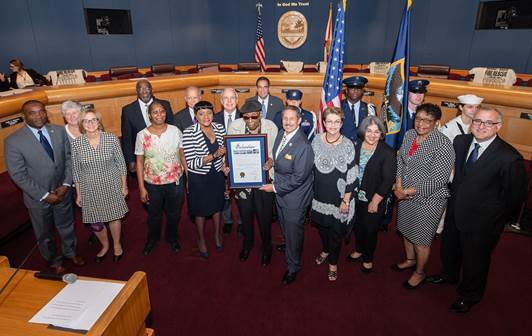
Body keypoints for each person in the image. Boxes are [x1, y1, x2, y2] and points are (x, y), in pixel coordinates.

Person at [427, 106, 527, 313]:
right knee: (449, 247)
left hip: (483, 221)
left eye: (488, 123)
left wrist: (495, 219)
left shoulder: (509, 157)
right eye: (477, 121)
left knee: (476, 260)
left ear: (498, 126)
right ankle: (448, 275)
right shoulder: (461, 142)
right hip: (455, 209)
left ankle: (470, 295)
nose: (481, 126)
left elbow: (515, 196)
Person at [5, 100, 84, 274]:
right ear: (23, 116)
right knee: (45, 234)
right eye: (32, 113)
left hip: (62, 192)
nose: (38, 115)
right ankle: (54, 261)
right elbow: (18, 175)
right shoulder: (13, 141)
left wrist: (65, 184)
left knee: (67, 225)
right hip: (38, 199)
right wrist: (43, 195)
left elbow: (70, 158)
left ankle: (70, 252)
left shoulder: (59, 131)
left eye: (41, 111)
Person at [392, 103, 454, 289]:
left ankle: (419, 272)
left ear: (436, 123)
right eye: (418, 118)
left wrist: (406, 192)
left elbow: (438, 179)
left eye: (427, 120)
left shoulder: (443, 144)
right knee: (405, 229)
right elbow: (401, 161)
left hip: (429, 200)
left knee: (421, 239)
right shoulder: (410, 135)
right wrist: (399, 183)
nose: (421, 124)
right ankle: (410, 260)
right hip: (405, 194)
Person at [260, 105, 314, 285]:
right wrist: (270, 162)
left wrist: (274, 188)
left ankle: (293, 267)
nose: (288, 122)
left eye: (292, 119)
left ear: (299, 120)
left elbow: (299, 178)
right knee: (287, 228)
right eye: (285, 119)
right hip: (283, 194)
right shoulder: (281, 134)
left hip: (295, 198)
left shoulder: (303, 145)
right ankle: (292, 245)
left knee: (293, 232)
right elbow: (277, 157)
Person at [72, 110, 129, 263]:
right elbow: (76, 170)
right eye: (86, 121)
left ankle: (117, 244)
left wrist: (124, 186)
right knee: (95, 222)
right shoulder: (77, 143)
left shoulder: (111, 139)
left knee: (114, 217)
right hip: (88, 188)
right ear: (81, 124)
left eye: (93, 120)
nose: (90, 123)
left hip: (111, 184)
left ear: (99, 122)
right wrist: (78, 194)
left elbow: (121, 164)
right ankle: (105, 245)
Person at [227, 100, 277, 265]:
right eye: (246, 118)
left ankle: (267, 247)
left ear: (260, 114)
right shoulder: (235, 126)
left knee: (264, 217)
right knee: (245, 215)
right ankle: (247, 244)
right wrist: (228, 167)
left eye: (253, 117)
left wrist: (271, 161)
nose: (250, 121)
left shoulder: (271, 127)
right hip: (243, 181)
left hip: (264, 180)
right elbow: (231, 151)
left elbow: (277, 152)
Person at [311, 107, 357, 281]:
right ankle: (325, 249)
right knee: (322, 228)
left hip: (339, 198)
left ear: (342, 123)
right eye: (329, 121)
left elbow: (352, 174)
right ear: (323, 123)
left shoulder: (348, 144)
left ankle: (333, 263)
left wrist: (346, 200)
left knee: (336, 233)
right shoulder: (315, 140)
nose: (332, 125)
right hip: (318, 196)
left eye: (336, 121)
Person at [347, 116, 396, 273]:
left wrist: (375, 201)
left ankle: (368, 257)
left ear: (381, 133)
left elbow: (388, 180)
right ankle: (359, 249)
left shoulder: (387, 152)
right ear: (363, 131)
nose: (372, 135)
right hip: (356, 197)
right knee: (358, 225)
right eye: (369, 131)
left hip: (374, 198)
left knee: (370, 229)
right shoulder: (356, 146)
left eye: (377, 131)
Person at [135, 102, 185, 255]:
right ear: (149, 115)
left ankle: (172, 238)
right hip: (152, 183)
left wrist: (188, 178)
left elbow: (182, 155)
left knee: (174, 213)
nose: (159, 115)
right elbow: (139, 162)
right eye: (155, 112)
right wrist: (142, 187)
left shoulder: (175, 131)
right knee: (154, 215)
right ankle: (153, 239)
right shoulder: (142, 135)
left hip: (175, 181)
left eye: (162, 111)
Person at [182, 101, 227, 258]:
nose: (206, 117)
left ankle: (217, 235)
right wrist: (213, 156)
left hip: (217, 175)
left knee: (217, 207)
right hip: (199, 177)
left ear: (213, 114)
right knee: (199, 210)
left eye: (209, 113)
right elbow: (191, 162)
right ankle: (201, 239)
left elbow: (226, 153)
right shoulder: (188, 133)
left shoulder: (220, 128)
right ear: (195, 116)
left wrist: (225, 167)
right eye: (201, 114)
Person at [435, 93, 483, 235]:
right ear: (461, 107)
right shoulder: (449, 128)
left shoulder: (480, 125)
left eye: (477, 107)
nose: (474, 110)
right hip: (452, 171)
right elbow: (442, 154)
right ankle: (439, 229)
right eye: (470, 107)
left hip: (471, 170)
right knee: (447, 201)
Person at [121, 79, 173, 173]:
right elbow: (127, 139)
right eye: (141, 89)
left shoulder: (165, 105)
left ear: (151, 89)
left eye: (147, 88)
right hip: (143, 159)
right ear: (136, 91)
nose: (144, 91)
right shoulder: (127, 111)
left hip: (167, 155)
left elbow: (172, 130)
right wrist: (131, 161)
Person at [213, 88, 241, 234]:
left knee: (242, 193)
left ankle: (242, 220)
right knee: (224, 192)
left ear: (237, 100)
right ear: (221, 101)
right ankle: (228, 219)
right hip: (220, 161)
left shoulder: (245, 116)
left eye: (232, 98)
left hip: (241, 161)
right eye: (226, 98)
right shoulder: (213, 118)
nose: (229, 101)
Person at [340, 76, 376, 143]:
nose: (355, 91)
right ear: (346, 91)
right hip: (342, 146)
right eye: (352, 88)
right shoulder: (338, 107)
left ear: (362, 91)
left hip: (362, 147)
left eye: (359, 88)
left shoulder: (369, 108)